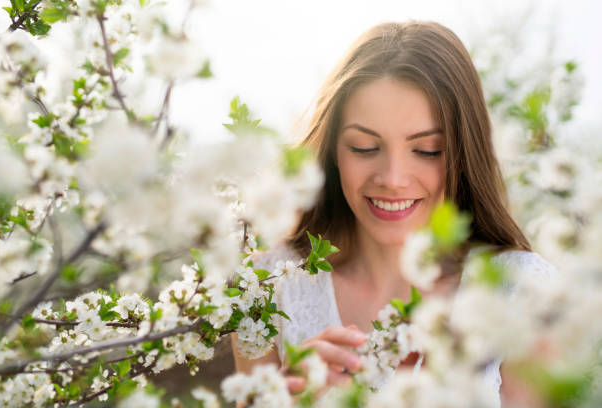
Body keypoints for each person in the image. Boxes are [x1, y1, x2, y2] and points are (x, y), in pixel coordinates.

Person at [230, 21, 555, 404]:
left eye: (428, 150)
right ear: (333, 149)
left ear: (464, 153)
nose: (393, 179)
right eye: (365, 147)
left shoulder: (524, 292)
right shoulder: (266, 286)